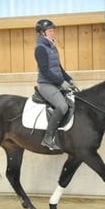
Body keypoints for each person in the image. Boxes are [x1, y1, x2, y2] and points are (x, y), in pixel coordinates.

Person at [34, 19, 77, 150]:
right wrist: (61, 82)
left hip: (57, 84)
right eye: (50, 31)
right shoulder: (40, 49)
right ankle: (48, 138)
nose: (53, 33)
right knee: (62, 106)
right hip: (46, 84)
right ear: (42, 33)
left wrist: (69, 80)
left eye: (53, 30)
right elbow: (45, 70)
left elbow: (59, 68)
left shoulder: (52, 47)